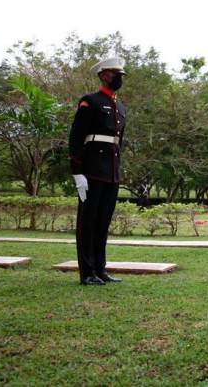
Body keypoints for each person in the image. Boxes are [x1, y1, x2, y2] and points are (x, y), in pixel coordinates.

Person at [68, 57, 127, 285]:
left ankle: (100, 270)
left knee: (103, 222)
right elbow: (76, 137)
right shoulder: (90, 102)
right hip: (91, 171)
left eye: (121, 74)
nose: (119, 78)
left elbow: (118, 142)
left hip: (111, 173)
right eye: (115, 73)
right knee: (88, 223)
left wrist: (117, 170)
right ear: (103, 75)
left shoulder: (120, 107)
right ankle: (87, 273)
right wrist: (77, 172)